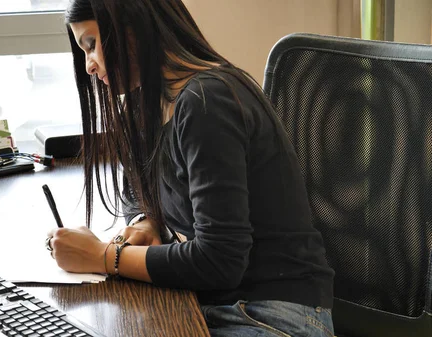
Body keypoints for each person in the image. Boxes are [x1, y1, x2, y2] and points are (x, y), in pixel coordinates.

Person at [45, 0, 335, 336]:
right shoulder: (147, 101)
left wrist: (103, 257)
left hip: (272, 314)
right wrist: (146, 220)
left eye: (91, 45)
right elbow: (136, 191)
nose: (89, 66)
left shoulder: (208, 103)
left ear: (131, 26)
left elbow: (219, 261)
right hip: (214, 303)